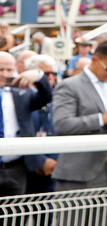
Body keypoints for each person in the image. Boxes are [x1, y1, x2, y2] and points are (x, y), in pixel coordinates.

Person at [52, 40, 107, 191]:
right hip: (79, 172)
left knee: (106, 216)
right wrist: (101, 119)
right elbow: (62, 124)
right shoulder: (69, 86)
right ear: (94, 59)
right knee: (74, 216)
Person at [0, 52, 53, 196]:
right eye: (1, 70)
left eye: (9, 70)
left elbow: (46, 96)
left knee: (15, 215)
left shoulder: (22, 93)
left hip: (16, 167)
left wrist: (38, 76)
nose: (5, 74)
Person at [26, 54, 59, 194]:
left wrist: (52, 159)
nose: (50, 77)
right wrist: (40, 161)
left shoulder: (58, 97)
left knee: (47, 211)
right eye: (46, 74)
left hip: (52, 164)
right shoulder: (21, 96)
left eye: (54, 73)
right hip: (27, 167)